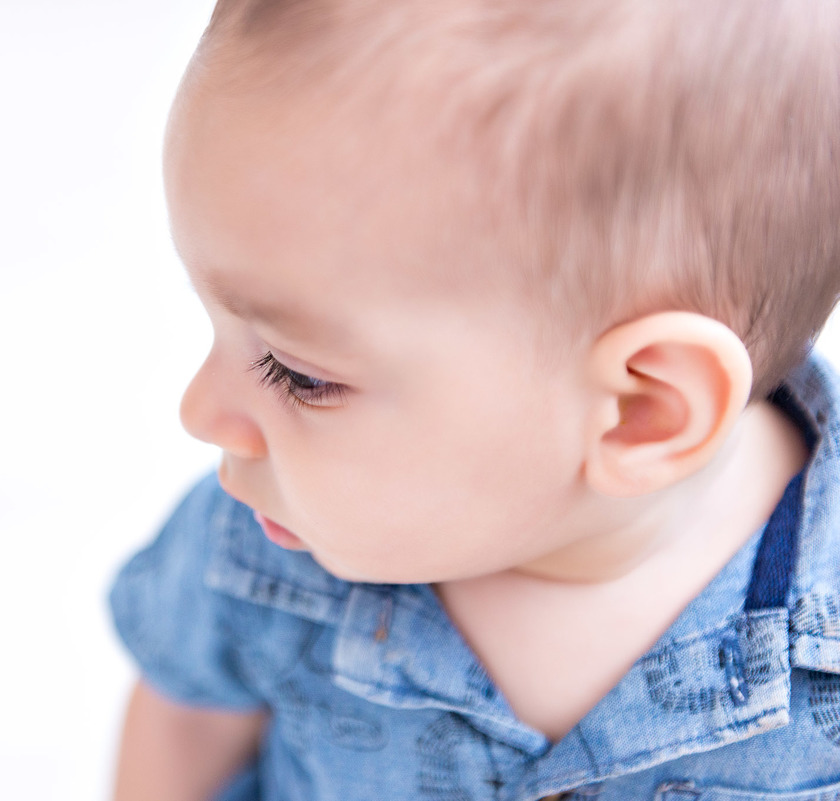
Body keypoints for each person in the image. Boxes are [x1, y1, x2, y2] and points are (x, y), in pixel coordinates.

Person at [109, 0, 840, 798]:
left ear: (643, 412)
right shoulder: (261, 545)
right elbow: (186, 718)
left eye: (298, 374)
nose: (199, 411)